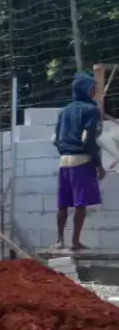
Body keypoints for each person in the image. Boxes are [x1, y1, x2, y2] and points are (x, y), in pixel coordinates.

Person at [54, 72, 106, 250]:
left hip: (63, 162)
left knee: (62, 203)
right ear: (85, 89)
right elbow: (88, 139)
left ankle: (59, 240)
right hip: (81, 161)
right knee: (80, 204)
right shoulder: (90, 110)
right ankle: (75, 241)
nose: (94, 91)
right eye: (92, 88)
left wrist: (65, 151)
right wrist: (98, 164)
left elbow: (56, 139)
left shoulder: (63, 111)